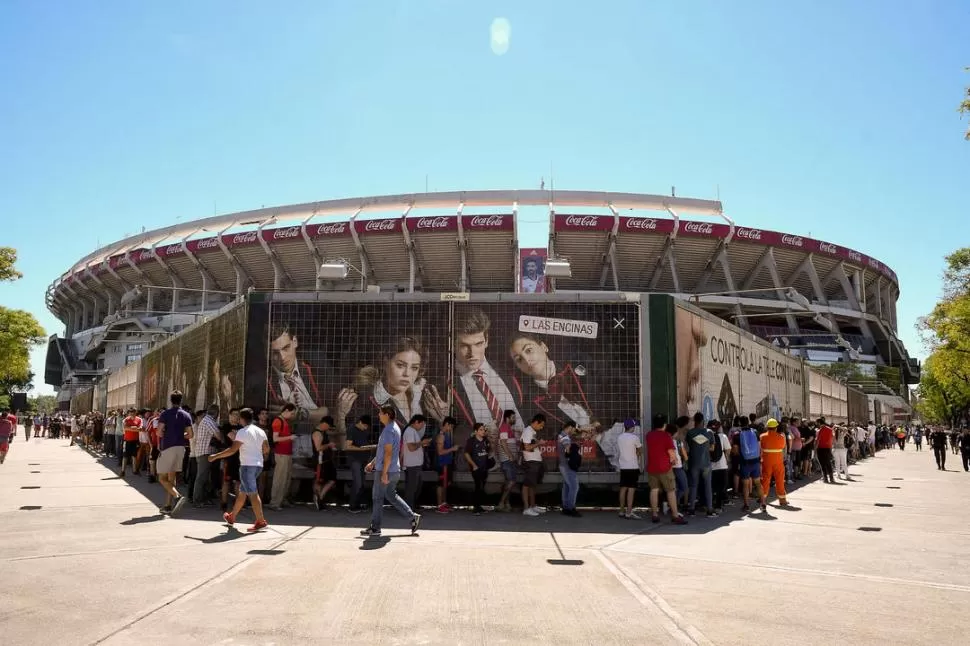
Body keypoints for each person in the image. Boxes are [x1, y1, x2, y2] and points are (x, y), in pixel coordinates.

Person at [451, 307, 523, 431]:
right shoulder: (444, 385)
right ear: (452, 344)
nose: (472, 353)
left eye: (478, 344)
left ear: (487, 341)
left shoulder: (509, 371)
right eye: (464, 345)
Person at [360, 405, 422, 538]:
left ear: (387, 415)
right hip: (394, 470)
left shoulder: (388, 430)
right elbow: (386, 451)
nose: (378, 415)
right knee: (391, 495)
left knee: (377, 498)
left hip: (386, 470)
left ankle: (375, 528)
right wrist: (373, 463)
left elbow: (388, 453)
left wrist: (383, 473)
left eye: (380, 413)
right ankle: (412, 517)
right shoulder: (395, 428)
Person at [209, 407, 269, 533]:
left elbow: (232, 450)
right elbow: (266, 449)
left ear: (242, 419)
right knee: (243, 492)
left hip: (247, 466)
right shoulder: (260, 431)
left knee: (252, 493)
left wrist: (215, 456)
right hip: (258, 465)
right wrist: (255, 452)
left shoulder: (242, 432)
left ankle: (261, 521)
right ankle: (232, 516)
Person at [156, 391, 194, 517]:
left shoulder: (165, 414)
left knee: (162, 478)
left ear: (170, 400)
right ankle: (167, 506)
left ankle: (177, 497)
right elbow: (190, 435)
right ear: (181, 400)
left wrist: (168, 434)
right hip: (181, 448)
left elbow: (159, 432)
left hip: (168, 447)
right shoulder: (186, 415)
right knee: (172, 478)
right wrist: (180, 435)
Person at [645, 414, 687, 525]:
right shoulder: (666, 437)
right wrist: (673, 461)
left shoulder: (649, 435)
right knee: (671, 490)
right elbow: (671, 454)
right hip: (665, 468)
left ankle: (654, 514)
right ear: (664, 425)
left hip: (652, 467)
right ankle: (675, 515)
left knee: (654, 490)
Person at [686, 412, 717, 517]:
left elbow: (689, 446)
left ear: (695, 421)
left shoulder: (690, 433)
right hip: (706, 464)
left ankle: (691, 510)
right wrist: (704, 447)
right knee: (708, 486)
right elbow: (712, 448)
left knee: (693, 486)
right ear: (703, 421)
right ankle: (709, 509)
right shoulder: (709, 432)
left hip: (694, 463)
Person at [343, 415, 375, 513]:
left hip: (363, 460)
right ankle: (352, 506)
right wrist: (363, 449)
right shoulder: (352, 430)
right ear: (360, 422)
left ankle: (357, 504)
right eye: (365, 426)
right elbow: (348, 446)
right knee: (358, 483)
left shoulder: (364, 431)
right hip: (355, 460)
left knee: (361, 483)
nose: (366, 428)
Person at [268, 403, 297, 511]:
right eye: (292, 413)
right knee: (280, 478)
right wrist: (290, 437)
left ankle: (282, 499)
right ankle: (275, 502)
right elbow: (275, 439)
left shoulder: (284, 421)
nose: (292, 415)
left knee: (286, 478)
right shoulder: (278, 421)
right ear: (286, 410)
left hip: (286, 453)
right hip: (281, 454)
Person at [191, 405, 221, 508]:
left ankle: (204, 498)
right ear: (216, 413)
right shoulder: (209, 421)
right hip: (205, 453)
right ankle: (197, 500)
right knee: (201, 477)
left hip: (206, 452)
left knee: (206, 478)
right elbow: (218, 435)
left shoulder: (207, 420)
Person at [520, 414, 547, 517]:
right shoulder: (527, 432)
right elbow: (526, 447)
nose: (542, 427)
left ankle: (532, 506)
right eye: (541, 425)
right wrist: (539, 443)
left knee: (532, 485)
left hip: (535, 461)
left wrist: (538, 444)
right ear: (536, 422)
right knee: (527, 485)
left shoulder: (532, 432)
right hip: (530, 462)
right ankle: (526, 508)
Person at [464, 422, 493, 515]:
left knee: (481, 487)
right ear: (476, 431)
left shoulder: (486, 440)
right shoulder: (471, 441)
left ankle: (479, 506)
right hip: (476, 468)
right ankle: (475, 508)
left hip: (484, 468)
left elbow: (489, 451)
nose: (483, 431)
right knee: (478, 486)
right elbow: (466, 454)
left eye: (484, 429)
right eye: (480, 429)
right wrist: (473, 465)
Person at [615, 418, 642, 519]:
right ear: (632, 427)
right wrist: (637, 454)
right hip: (633, 466)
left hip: (623, 466)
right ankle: (629, 512)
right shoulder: (634, 438)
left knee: (623, 488)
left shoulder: (620, 437)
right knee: (631, 489)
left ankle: (621, 511)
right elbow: (640, 450)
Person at [311, 416, 339, 510]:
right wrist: (329, 445)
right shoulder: (317, 433)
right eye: (328, 426)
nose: (329, 428)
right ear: (324, 424)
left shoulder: (323, 432)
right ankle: (319, 500)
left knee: (332, 479)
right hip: (320, 461)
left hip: (326, 460)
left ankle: (321, 497)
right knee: (319, 481)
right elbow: (318, 448)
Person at [402, 414, 429, 511]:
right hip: (412, 465)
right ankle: (409, 509)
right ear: (416, 422)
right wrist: (421, 443)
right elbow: (411, 447)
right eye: (422, 424)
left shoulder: (413, 431)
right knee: (411, 488)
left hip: (416, 464)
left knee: (416, 487)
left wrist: (422, 444)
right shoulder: (410, 431)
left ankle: (412, 506)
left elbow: (414, 446)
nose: (422, 427)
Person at [434, 417, 461, 513]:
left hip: (447, 463)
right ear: (447, 424)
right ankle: (439, 505)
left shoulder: (446, 435)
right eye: (451, 426)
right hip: (442, 464)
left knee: (445, 484)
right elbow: (440, 452)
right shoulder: (441, 436)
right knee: (441, 485)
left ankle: (444, 503)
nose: (452, 428)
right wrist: (452, 449)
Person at [760, 419, 788, 506]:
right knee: (779, 480)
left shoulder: (762, 436)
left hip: (766, 461)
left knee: (765, 480)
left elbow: (761, 447)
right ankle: (782, 500)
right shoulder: (781, 437)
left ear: (767, 427)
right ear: (776, 428)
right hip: (778, 461)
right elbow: (783, 447)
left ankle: (763, 499)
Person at [496, 410, 519, 512]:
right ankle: (501, 503)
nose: (514, 419)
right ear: (507, 418)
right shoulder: (504, 427)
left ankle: (507, 504)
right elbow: (503, 443)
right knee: (511, 481)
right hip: (507, 460)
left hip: (509, 459)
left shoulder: (507, 427)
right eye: (513, 417)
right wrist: (510, 456)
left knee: (508, 482)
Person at [557, 422, 581, 517]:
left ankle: (566, 507)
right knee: (574, 487)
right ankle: (570, 508)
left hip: (563, 465)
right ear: (570, 427)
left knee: (567, 486)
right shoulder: (565, 437)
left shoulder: (561, 435)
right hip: (567, 466)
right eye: (574, 429)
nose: (574, 431)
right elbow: (567, 449)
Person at [710, 420, 731, 511]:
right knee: (721, 486)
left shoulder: (707, 436)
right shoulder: (723, 436)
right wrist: (727, 458)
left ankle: (710, 504)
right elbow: (728, 449)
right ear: (720, 427)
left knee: (712, 486)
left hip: (710, 465)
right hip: (722, 465)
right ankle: (718, 505)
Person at [119, 408, 142, 477]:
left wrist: (130, 428)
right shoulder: (125, 419)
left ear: (136, 412)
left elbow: (140, 429)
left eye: (133, 412)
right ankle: (123, 471)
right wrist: (135, 427)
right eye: (131, 412)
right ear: (129, 413)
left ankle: (134, 470)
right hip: (127, 440)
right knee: (125, 456)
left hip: (135, 440)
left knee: (134, 456)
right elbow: (125, 428)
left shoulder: (139, 419)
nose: (132, 413)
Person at [816, 418, 835, 484]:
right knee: (828, 463)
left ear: (819, 422)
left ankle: (825, 478)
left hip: (821, 448)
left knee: (822, 464)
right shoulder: (830, 429)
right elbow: (833, 438)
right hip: (828, 448)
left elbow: (817, 440)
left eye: (817, 423)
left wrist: (815, 449)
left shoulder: (820, 430)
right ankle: (831, 478)